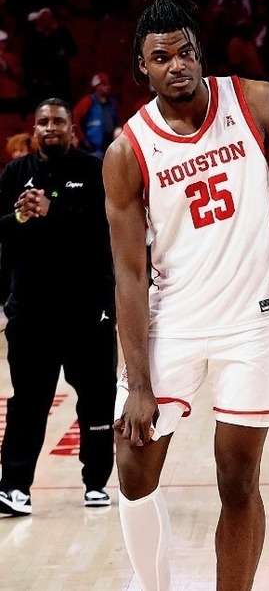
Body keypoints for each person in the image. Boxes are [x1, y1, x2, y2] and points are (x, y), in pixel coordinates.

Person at [103, 0, 269, 591]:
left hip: (251, 323)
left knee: (239, 481)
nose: (174, 66)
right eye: (160, 58)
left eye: (183, 53)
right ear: (143, 67)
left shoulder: (256, 103)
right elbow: (127, 274)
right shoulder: (129, 151)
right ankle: (151, 583)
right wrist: (137, 381)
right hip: (171, 322)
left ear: (200, 53)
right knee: (132, 473)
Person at [0, 98, 117, 516]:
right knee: (28, 402)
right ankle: (14, 487)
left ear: (73, 129)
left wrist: (53, 212)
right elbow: (2, 234)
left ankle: (96, 482)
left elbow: (104, 232)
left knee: (97, 400)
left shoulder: (95, 171)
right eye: (43, 121)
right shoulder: (14, 174)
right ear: (34, 130)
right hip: (32, 314)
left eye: (59, 121)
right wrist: (17, 217)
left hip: (88, 314)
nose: (51, 127)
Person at [74, 72, 120, 159]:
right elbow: (75, 118)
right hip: (94, 147)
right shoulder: (87, 102)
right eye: (104, 85)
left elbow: (117, 120)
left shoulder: (112, 103)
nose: (107, 87)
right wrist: (83, 139)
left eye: (108, 84)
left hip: (111, 144)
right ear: (97, 87)